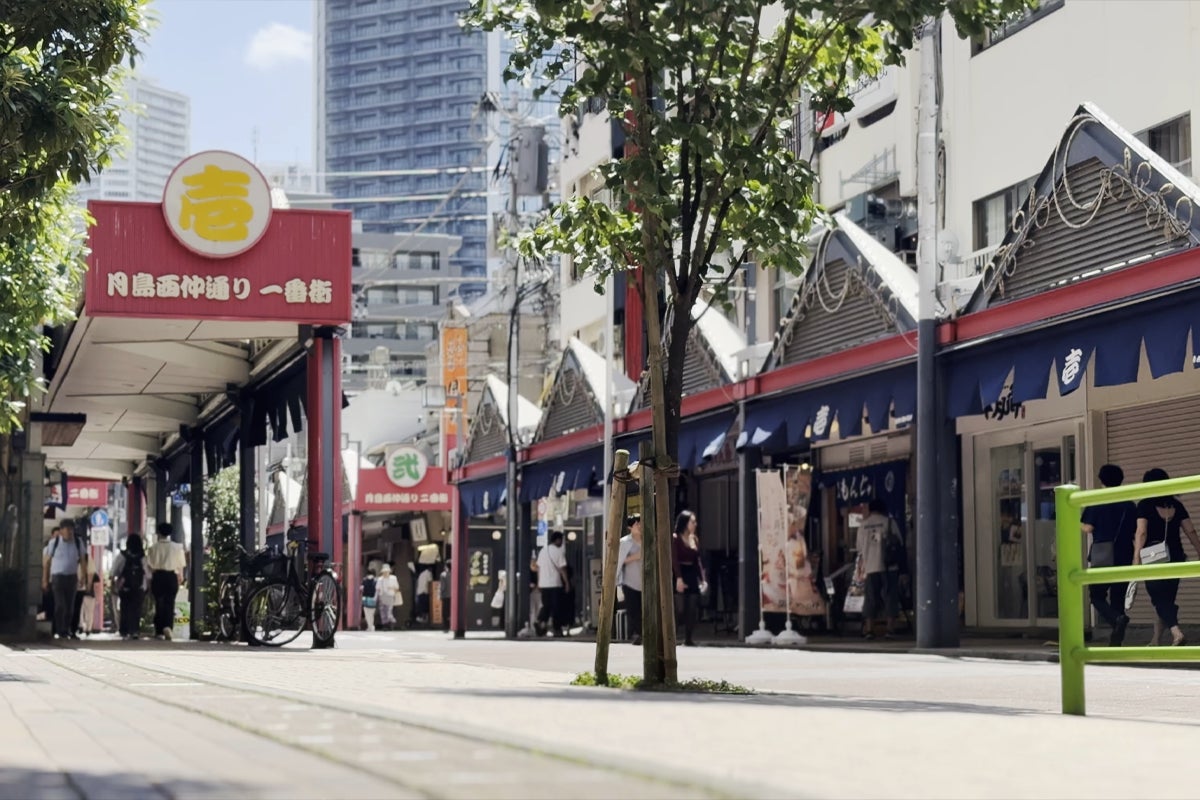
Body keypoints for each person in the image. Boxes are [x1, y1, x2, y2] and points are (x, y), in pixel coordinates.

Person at [1134, 468, 1200, 646]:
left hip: (1153, 556)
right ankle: (1156, 640)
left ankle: (1176, 632)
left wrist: (1136, 559)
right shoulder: (1176, 505)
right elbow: (1190, 531)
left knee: (1158, 599)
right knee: (1167, 600)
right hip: (1176, 555)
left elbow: (1141, 533)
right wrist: (1199, 550)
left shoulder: (1145, 505)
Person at [1081, 464, 1137, 647]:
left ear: (1102, 480)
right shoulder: (1129, 504)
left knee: (1096, 595)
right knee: (1118, 597)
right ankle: (1116, 642)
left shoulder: (1098, 501)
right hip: (1125, 553)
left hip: (1103, 555)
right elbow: (1135, 530)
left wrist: (1075, 522)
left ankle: (1116, 619)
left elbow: (1088, 528)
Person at [856, 499, 898, 640]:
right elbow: (899, 544)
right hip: (889, 567)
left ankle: (869, 629)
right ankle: (890, 629)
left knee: (870, 598)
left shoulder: (863, 526)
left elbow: (859, 548)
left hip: (870, 566)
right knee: (890, 597)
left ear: (870, 510)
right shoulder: (889, 522)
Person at [42, 523, 87, 640]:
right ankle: (59, 629)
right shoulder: (54, 543)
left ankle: (66, 630)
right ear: (61, 531)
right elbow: (47, 562)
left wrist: (83, 576)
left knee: (70, 607)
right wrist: (45, 579)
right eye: (67, 529)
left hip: (72, 577)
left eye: (71, 529)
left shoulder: (78, 542)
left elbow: (83, 560)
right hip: (57, 578)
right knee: (60, 605)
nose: (70, 532)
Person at [672, 510, 707, 647]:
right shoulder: (675, 538)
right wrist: (679, 578)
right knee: (679, 609)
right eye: (692, 522)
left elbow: (698, 561)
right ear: (685, 523)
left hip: (691, 574)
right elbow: (674, 559)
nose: (695, 524)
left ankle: (688, 638)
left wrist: (703, 579)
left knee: (692, 608)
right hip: (679, 573)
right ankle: (672, 637)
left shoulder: (694, 539)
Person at [146, 523, 186, 641]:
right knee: (170, 603)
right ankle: (168, 626)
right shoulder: (177, 547)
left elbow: (149, 565)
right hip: (171, 576)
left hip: (158, 576)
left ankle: (159, 630)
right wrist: (180, 576)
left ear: (158, 533)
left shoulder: (153, 548)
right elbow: (181, 565)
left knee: (159, 603)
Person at [113, 534, 147, 640]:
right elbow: (148, 574)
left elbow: (114, 571)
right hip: (139, 587)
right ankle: (135, 630)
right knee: (136, 609)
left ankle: (124, 631)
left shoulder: (122, 556)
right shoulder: (142, 557)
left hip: (125, 587)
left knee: (125, 608)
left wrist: (114, 584)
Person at [617, 514, 644, 645]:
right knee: (634, 610)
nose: (639, 526)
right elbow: (618, 562)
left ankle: (644, 633)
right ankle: (638, 634)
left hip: (645, 582)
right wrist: (636, 557)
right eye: (636, 524)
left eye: (641, 523)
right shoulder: (624, 542)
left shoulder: (649, 539)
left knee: (645, 609)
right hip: (629, 582)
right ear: (630, 527)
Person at [535, 531, 569, 637]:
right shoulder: (559, 552)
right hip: (555, 584)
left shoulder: (543, 551)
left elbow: (538, 568)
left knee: (546, 605)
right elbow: (563, 569)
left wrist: (539, 582)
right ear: (557, 540)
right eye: (561, 540)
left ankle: (541, 621)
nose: (562, 543)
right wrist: (567, 583)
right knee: (556, 607)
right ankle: (557, 629)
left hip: (544, 584)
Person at [377, 563, 401, 630]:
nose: (385, 573)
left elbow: (397, 588)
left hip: (390, 596)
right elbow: (377, 588)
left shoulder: (393, 578)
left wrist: (391, 588)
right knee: (382, 612)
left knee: (389, 612)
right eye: (384, 572)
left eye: (387, 572)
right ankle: (385, 625)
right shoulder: (380, 579)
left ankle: (392, 622)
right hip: (382, 596)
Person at [438, 561, 452, 632]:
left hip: (445, 595)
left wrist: (439, 594)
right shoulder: (455, 574)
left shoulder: (443, 575)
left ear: (446, 566)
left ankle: (446, 626)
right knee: (451, 611)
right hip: (453, 596)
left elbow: (442, 587)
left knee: (445, 612)